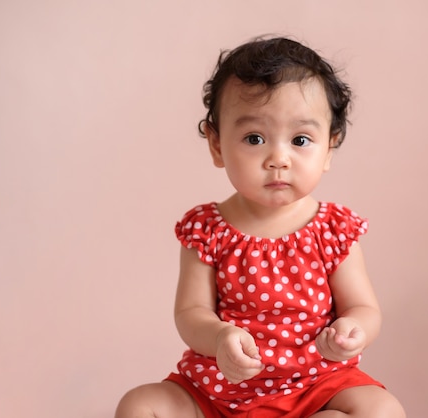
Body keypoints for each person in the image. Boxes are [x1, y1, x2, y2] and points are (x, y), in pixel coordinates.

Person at [115, 36, 406, 418]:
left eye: (301, 139)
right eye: (255, 139)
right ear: (217, 145)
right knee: (139, 405)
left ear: (329, 148)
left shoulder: (334, 230)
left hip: (315, 386)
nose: (278, 158)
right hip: (219, 387)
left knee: (381, 410)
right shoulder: (207, 229)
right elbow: (191, 312)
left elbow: (364, 307)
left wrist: (352, 331)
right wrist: (220, 337)